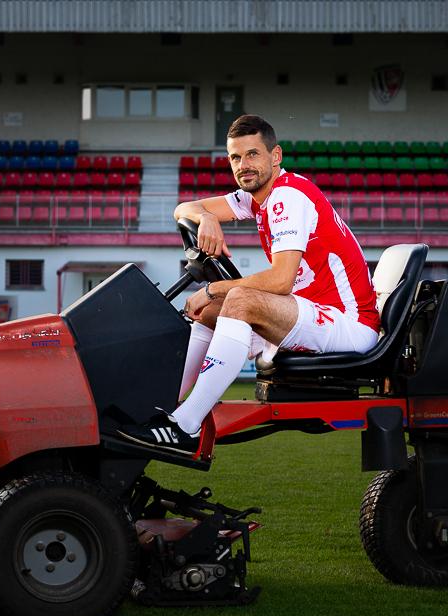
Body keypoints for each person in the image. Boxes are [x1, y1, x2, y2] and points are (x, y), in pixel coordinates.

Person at [118, 114, 379, 455]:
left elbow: (281, 280)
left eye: (253, 154)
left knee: (238, 300)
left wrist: (212, 289)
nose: (243, 165)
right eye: (235, 158)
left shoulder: (288, 196)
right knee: (210, 312)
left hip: (348, 323)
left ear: (275, 156)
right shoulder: (253, 198)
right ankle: (156, 407)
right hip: (314, 311)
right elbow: (183, 208)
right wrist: (207, 217)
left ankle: (185, 425)